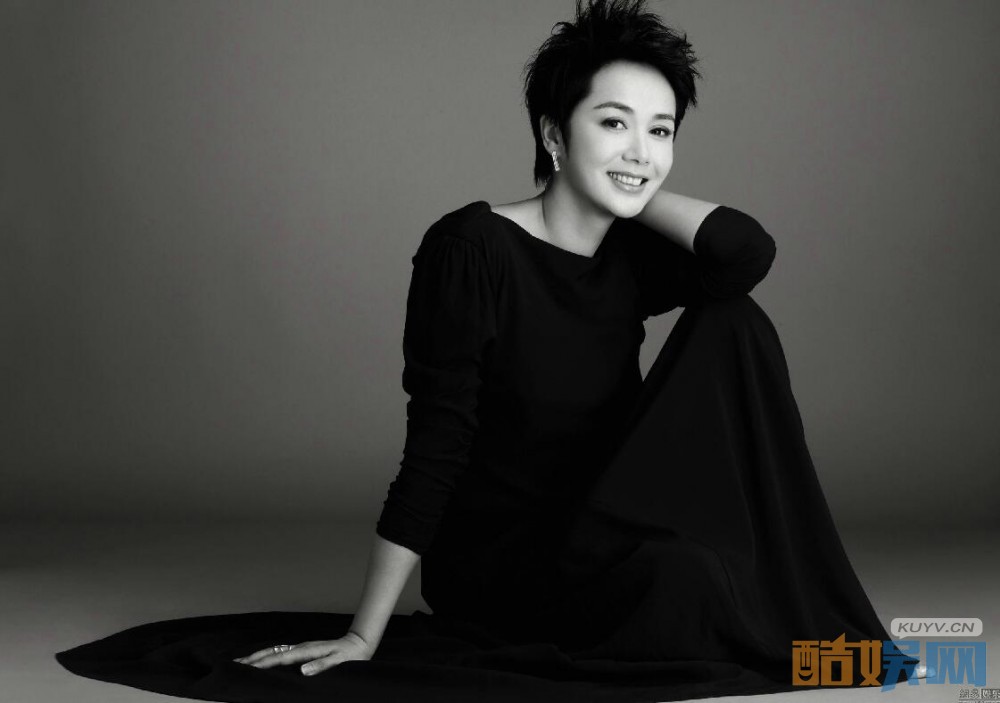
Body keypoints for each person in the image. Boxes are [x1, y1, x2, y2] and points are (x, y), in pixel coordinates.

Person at [56, 1, 925, 700]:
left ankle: (810, 626)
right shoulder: (472, 249)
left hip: (607, 523)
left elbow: (745, 254)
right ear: (552, 133)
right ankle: (771, 629)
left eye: (661, 130)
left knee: (733, 325)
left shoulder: (631, 254)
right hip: (510, 562)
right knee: (690, 589)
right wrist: (365, 631)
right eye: (613, 122)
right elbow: (436, 442)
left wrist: (634, 183)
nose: (641, 148)